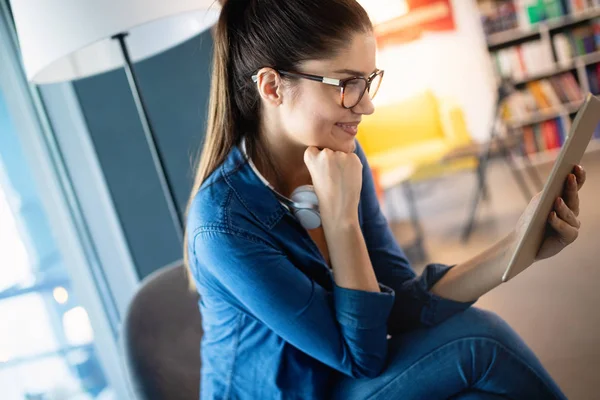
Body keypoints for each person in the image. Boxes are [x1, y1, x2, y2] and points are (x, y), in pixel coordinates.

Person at [185, 0, 586, 398]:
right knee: (482, 339)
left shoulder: (341, 155)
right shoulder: (223, 226)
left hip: (345, 374)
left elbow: (403, 302)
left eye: (367, 80)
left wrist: (518, 247)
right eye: (346, 85)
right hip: (306, 390)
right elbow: (362, 357)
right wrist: (341, 221)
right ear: (272, 87)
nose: (367, 105)